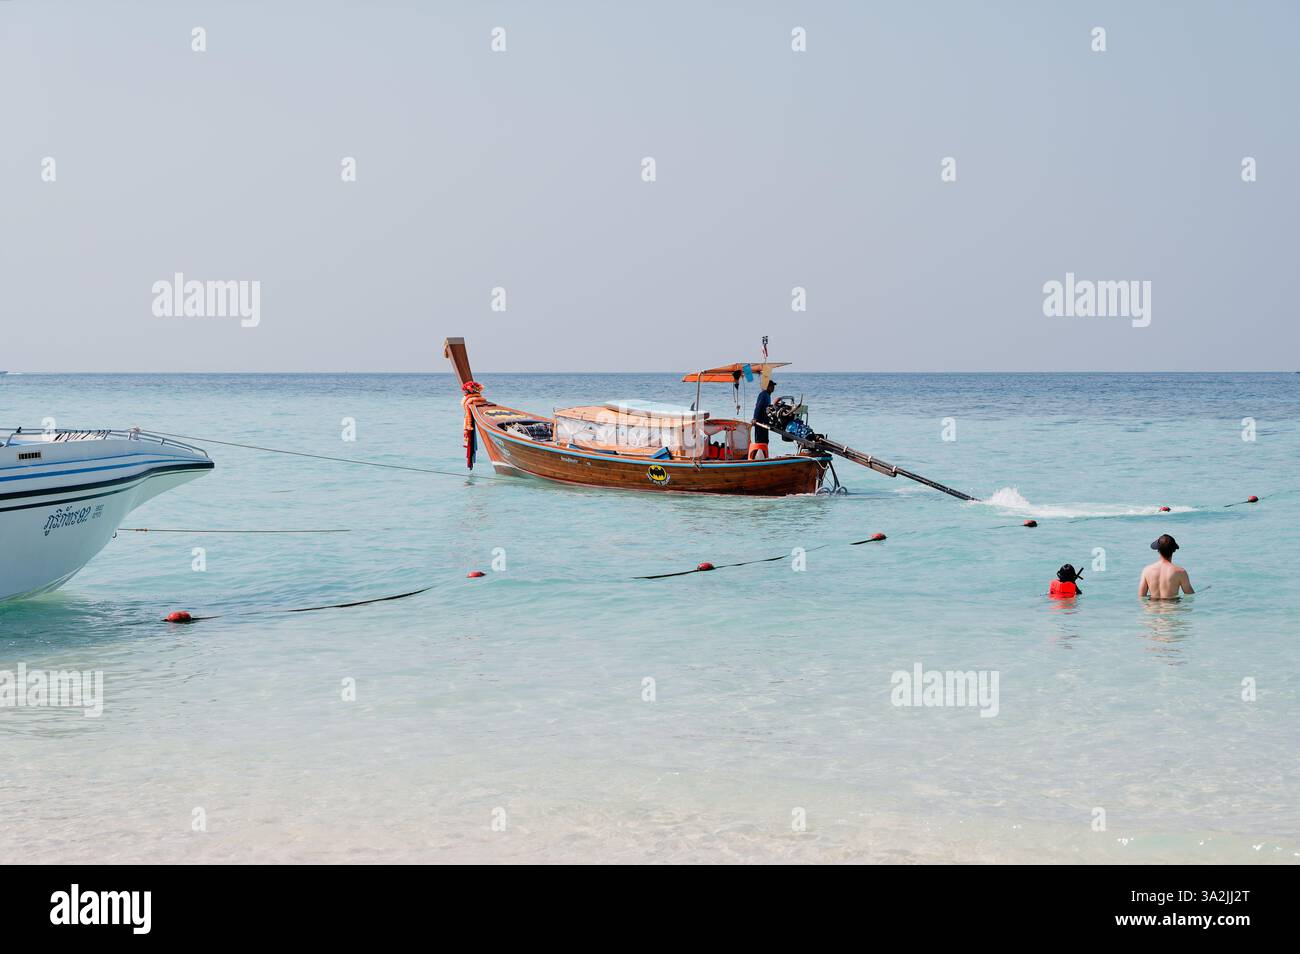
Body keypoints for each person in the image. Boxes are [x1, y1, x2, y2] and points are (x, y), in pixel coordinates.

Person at [1140, 534, 1194, 599]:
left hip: (1152, 608)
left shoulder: (1147, 570)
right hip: (1172, 608)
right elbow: (1190, 597)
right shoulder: (1180, 572)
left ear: (1158, 550)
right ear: (1174, 550)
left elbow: (1141, 597)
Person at [748, 379, 777, 460]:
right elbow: (758, 407)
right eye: (771, 386)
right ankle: (756, 459)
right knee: (760, 441)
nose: (773, 388)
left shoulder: (768, 395)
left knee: (765, 441)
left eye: (773, 386)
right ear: (767, 387)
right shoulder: (763, 394)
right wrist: (755, 418)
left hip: (765, 423)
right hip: (760, 423)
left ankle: (763, 457)